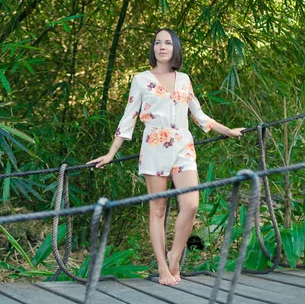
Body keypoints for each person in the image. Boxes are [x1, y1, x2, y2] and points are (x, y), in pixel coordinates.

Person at [87, 28, 244, 286]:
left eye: (167, 43)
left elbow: (198, 114)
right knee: (158, 209)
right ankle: (162, 266)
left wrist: (227, 130)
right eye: (157, 42)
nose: (162, 46)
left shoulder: (184, 79)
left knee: (191, 204)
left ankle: (175, 254)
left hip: (183, 145)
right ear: (153, 48)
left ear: (175, 48)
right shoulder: (140, 79)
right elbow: (129, 117)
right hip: (154, 146)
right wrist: (111, 152)